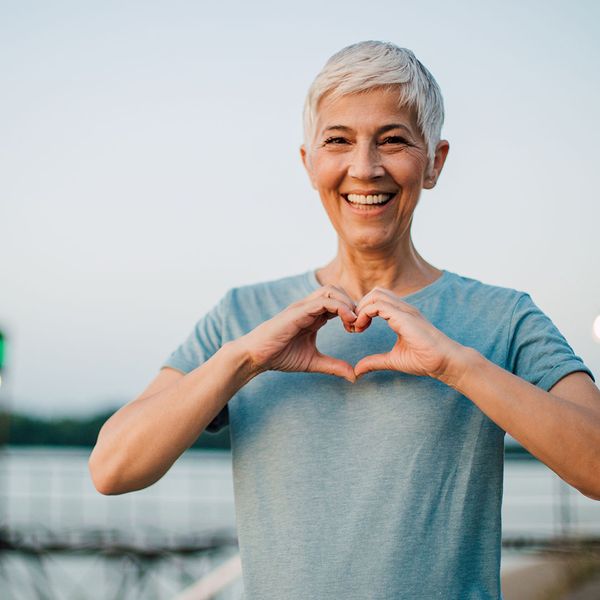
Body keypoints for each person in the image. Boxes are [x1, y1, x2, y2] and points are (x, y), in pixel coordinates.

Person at [89, 40, 599, 599]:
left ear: (434, 162)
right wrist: (245, 360)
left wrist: (458, 367)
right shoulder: (241, 317)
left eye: (394, 140)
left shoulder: (505, 316)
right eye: (338, 141)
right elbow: (113, 468)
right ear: (309, 164)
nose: (365, 167)